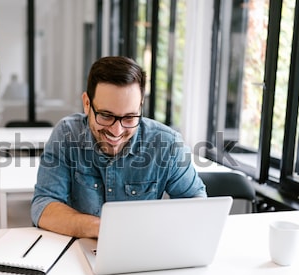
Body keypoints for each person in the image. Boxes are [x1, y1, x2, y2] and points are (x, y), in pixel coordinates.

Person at [31, 56, 206, 238]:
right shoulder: (67, 134)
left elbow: (196, 203)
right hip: (81, 252)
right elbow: (43, 205)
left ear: (140, 107)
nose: (117, 131)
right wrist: (104, 229)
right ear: (87, 103)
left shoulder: (167, 144)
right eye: (106, 116)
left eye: (129, 117)